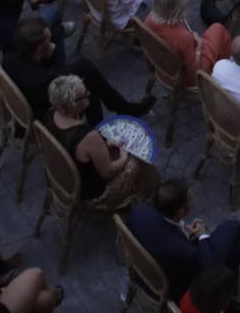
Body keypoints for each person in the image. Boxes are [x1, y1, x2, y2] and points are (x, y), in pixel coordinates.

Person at [4, 16, 153, 127]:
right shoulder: (41, 80)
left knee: (86, 79)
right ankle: (122, 111)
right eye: (48, 40)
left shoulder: (10, 58)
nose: (52, 42)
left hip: (34, 96)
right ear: (38, 48)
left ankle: (109, 119)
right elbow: (56, 83)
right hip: (43, 113)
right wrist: (53, 55)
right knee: (84, 70)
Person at [44, 74, 159, 211]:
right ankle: (153, 195)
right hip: (93, 195)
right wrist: (124, 155)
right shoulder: (88, 137)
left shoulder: (50, 115)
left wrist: (103, 147)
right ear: (73, 104)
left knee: (115, 148)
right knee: (140, 159)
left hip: (65, 178)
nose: (89, 93)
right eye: (84, 94)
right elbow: (108, 172)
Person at [124, 178, 240, 300]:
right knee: (235, 231)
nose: (193, 202)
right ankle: (227, 297)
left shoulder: (138, 212)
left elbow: (164, 238)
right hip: (169, 288)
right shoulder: (185, 252)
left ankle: (230, 294)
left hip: (139, 270)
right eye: (190, 201)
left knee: (238, 236)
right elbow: (207, 265)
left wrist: (184, 235)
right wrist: (202, 235)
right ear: (180, 212)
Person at [143, 0, 231, 87]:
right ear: (178, 9)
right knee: (218, 29)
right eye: (186, 1)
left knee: (214, 32)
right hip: (186, 77)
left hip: (162, 64)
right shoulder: (183, 37)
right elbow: (193, 72)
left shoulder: (149, 19)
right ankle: (225, 72)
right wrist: (198, 46)